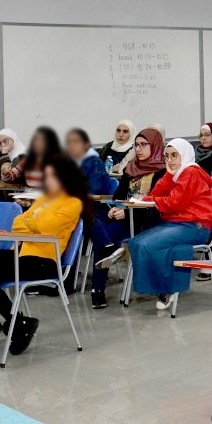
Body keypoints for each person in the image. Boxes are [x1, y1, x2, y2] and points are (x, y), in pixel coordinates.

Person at [0, 154, 88, 352]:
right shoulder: (44, 199)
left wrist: (32, 222)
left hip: (45, 262)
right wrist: (34, 222)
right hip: (23, 255)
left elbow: (46, 227)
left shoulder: (73, 202)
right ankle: (13, 322)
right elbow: (17, 224)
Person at [126, 138, 212, 311]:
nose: (170, 160)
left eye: (174, 155)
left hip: (195, 226)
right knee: (135, 243)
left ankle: (164, 289)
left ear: (184, 155)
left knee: (147, 244)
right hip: (176, 224)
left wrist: (150, 200)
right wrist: (168, 175)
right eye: (166, 156)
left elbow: (174, 202)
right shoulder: (177, 173)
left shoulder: (191, 172)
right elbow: (157, 193)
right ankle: (164, 287)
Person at [90, 127, 165, 308]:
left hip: (147, 222)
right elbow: (118, 195)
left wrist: (127, 212)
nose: (138, 149)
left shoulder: (162, 172)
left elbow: (156, 205)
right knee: (96, 222)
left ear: (154, 146)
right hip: (126, 220)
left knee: (105, 235)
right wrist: (114, 208)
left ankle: (110, 251)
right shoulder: (132, 168)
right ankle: (98, 288)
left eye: (143, 145)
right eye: (136, 145)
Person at [65, 127, 114, 195]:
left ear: (86, 145)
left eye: (76, 142)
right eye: (69, 142)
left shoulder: (95, 164)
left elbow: (95, 189)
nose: (72, 145)